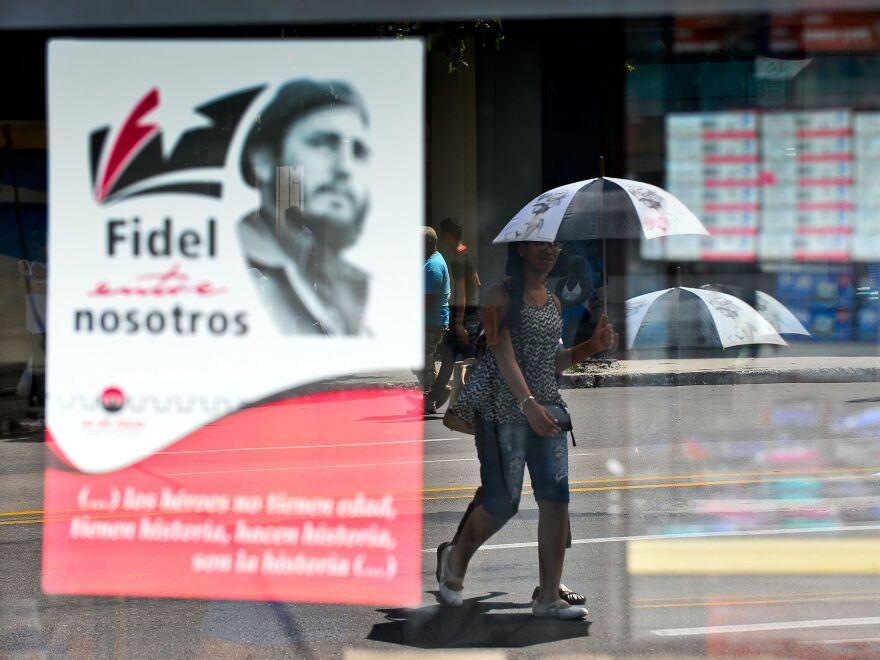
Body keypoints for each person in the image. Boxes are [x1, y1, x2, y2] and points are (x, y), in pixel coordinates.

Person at [437, 239, 616, 619]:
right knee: (502, 503)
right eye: (540, 245)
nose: (550, 251)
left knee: (556, 501)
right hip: (505, 413)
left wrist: (591, 346)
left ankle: (548, 596)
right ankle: (454, 562)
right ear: (521, 249)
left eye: (554, 245)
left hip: (548, 411)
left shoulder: (551, 301)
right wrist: (527, 404)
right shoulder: (497, 294)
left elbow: (556, 359)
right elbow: (501, 351)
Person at [238, 79, 371, 335]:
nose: (345, 169)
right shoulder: (244, 259)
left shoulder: (344, 273)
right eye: (322, 143)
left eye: (357, 150)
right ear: (264, 161)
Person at [431, 217, 481, 407]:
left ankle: (439, 397)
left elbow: (460, 294)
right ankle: (434, 397)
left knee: (459, 357)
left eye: (442, 234)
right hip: (474, 312)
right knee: (453, 356)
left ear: (446, 236)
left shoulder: (457, 261)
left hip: (464, 315)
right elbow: (477, 282)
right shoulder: (467, 253)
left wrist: (459, 323)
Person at [420, 226, 450, 414]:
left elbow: (426, 301)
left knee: (423, 359)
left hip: (431, 321)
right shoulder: (428, 261)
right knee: (424, 360)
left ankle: (433, 395)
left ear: (428, 243)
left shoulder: (433, 267)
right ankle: (436, 392)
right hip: (430, 320)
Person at [555, 254, 595, 347]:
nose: (578, 267)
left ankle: (562, 343)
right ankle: (562, 342)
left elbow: (582, 298)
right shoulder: (562, 282)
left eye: (580, 265)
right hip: (566, 308)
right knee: (565, 313)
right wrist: (565, 303)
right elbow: (557, 297)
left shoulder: (585, 281)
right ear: (570, 266)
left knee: (566, 313)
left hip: (583, 311)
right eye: (575, 265)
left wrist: (568, 303)